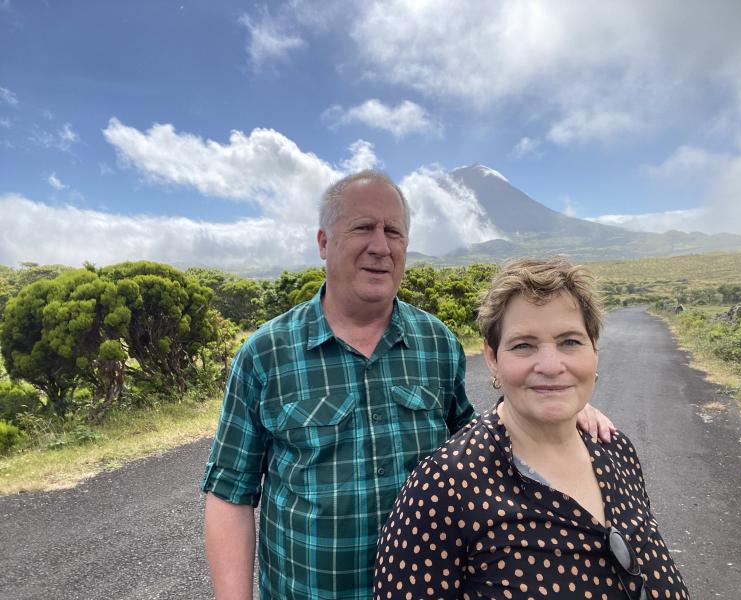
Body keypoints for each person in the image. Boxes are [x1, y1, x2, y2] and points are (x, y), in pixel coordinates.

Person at [202, 172, 615, 600]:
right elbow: (230, 494)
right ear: (324, 242)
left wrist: (559, 409)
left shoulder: (436, 342)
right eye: (363, 227)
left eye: (393, 232)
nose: (380, 246)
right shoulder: (266, 353)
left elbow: (481, 443)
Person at [374, 257, 689, 600]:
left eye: (570, 341)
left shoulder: (615, 449)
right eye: (524, 345)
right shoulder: (442, 488)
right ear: (492, 358)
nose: (551, 366)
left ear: (594, 349)